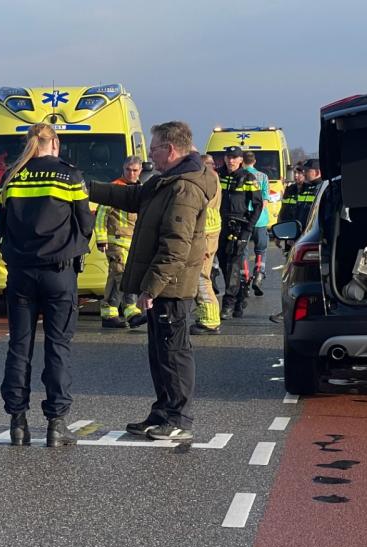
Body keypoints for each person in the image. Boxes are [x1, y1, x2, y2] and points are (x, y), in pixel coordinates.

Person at [89, 121, 215, 442]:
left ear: (170, 150)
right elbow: (132, 197)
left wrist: (152, 287)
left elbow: (176, 245)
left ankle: (178, 418)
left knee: (174, 352)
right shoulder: (165, 181)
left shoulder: (184, 188)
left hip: (172, 287)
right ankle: (162, 412)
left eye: (154, 149)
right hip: (164, 285)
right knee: (159, 353)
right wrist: (87, 187)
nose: (149, 156)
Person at [0, 123, 94, 447]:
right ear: (56, 143)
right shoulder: (70, 176)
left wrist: (15, 255)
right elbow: (86, 224)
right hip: (58, 273)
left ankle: (17, 423)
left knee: (19, 346)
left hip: (21, 273)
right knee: (58, 347)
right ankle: (56, 424)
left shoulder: (11, 177)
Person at [95, 156, 144, 328]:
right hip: (116, 241)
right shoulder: (114, 188)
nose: (131, 173)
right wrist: (101, 238)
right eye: (128, 170)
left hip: (134, 242)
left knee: (120, 276)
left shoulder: (141, 189)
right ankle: (128, 312)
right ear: (123, 169)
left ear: (140, 171)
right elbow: (101, 215)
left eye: (135, 170)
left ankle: (112, 314)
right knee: (121, 274)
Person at [216, 146, 262, 319]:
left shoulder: (248, 177)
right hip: (219, 225)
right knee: (223, 263)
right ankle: (240, 296)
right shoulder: (217, 175)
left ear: (241, 160)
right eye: (228, 157)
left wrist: (248, 228)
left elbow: (258, 205)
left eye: (235, 157)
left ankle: (228, 303)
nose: (231, 160)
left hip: (239, 226)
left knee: (233, 265)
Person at [192, 155, 224, 335]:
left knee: (201, 277)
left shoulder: (207, 180)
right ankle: (205, 316)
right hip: (209, 231)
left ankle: (209, 320)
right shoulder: (214, 178)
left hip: (204, 233)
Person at [241, 151, 273, 296]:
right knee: (261, 250)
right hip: (260, 219)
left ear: (242, 161)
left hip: (244, 219)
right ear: (254, 161)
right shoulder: (263, 176)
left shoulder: (239, 175)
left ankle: (245, 278)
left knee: (242, 250)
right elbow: (265, 199)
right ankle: (258, 276)